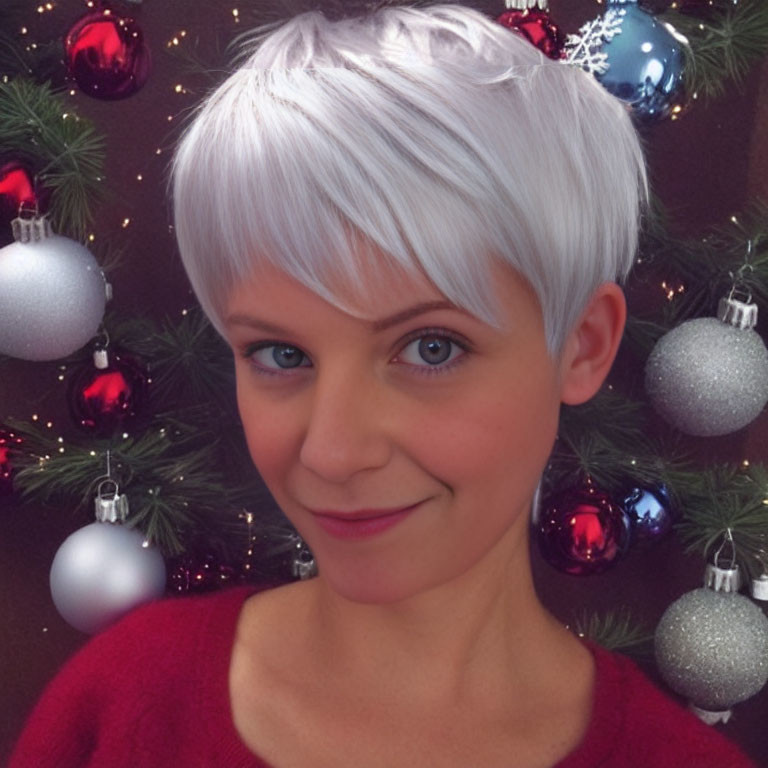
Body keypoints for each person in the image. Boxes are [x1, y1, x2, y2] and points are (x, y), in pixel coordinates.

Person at [10, 4, 758, 767]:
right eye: (280, 354)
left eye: (431, 348)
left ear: (581, 346)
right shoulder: (125, 702)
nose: (334, 453)